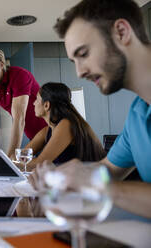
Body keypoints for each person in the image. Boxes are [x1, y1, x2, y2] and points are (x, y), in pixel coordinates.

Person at [30, 0, 151, 219]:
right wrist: (64, 175)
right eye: (73, 61)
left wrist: (102, 187)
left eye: (84, 54)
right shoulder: (138, 114)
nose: (79, 72)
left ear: (121, 32)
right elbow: (107, 171)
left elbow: (104, 183)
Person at [0, 46, 46, 159]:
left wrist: (10, 157)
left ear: (1, 65)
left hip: (50, 131)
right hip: (34, 137)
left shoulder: (19, 76)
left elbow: (19, 118)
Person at [19, 82, 105, 170]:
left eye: (37, 99)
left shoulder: (66, 125)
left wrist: (13, 163)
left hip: (95, 180)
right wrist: (14, 160)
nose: (33, 103)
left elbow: (39, 164)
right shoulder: (47, 130)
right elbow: (21, 156)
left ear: (46, 105)